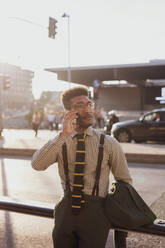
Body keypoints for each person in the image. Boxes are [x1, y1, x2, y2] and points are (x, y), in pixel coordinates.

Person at [31, 86, 132, 248]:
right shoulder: (60, 141)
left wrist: (111, 211)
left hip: (96, 212)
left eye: (89, 104)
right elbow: (37, 164)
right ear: (69, 112)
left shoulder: (109, 143)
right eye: (80, 105)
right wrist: (62, 135)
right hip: (66, 209)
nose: (88, 109)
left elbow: (124, 182)